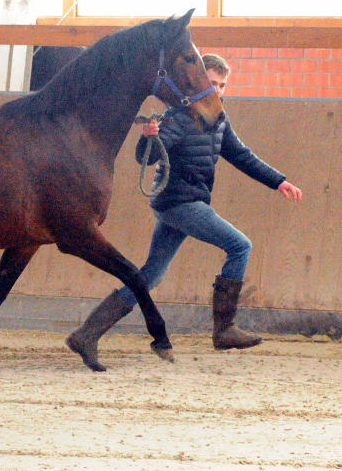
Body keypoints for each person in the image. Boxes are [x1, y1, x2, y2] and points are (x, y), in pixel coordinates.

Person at [67, 53, 303, 371]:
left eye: (222, 85)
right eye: (212, 83)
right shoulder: (177, 117)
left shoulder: (219, 120)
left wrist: (279, 182)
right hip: (179, 203)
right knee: (240, 245)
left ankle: (87, 334)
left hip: (185, 204)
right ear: (197, 82)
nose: (217, 90)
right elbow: (146, 159)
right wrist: (148, 138)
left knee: (151, 273)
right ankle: (223, 329)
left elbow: (243, 156)